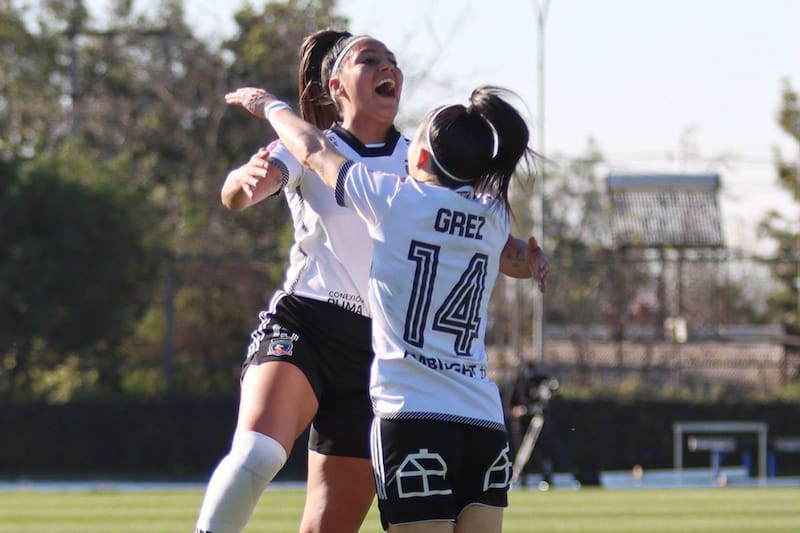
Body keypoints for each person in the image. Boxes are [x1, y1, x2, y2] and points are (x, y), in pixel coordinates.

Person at [197, 30, 547, 533]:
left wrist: (525, 258)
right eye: (369, 59)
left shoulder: (420, 159)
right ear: (336, 86)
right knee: (259, 452)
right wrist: (241, 182)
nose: (388, 68)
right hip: (307, 324)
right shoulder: (307, 142)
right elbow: (239, 193)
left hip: (381, 350)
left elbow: (483, 244)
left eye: (392, 60)